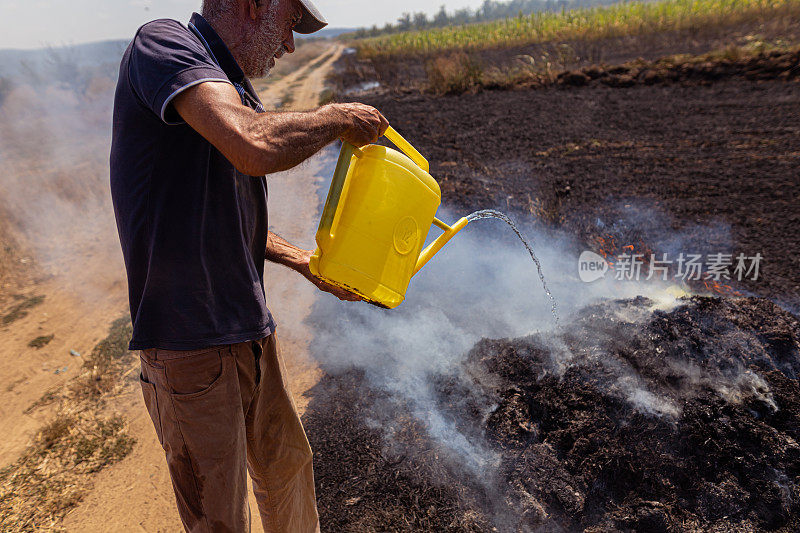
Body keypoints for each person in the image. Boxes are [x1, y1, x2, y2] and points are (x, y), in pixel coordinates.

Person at [109, 0, 388, 530]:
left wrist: (301, 260)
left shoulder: (230, 87)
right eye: (289, 26)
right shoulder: (163, 44)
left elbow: (222, 214)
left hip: (249, 329)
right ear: (255, 4)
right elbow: (254, 145)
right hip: (190, 340)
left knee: (287, 472)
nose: (289, 45)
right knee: (220, 517)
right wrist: (336, 116)